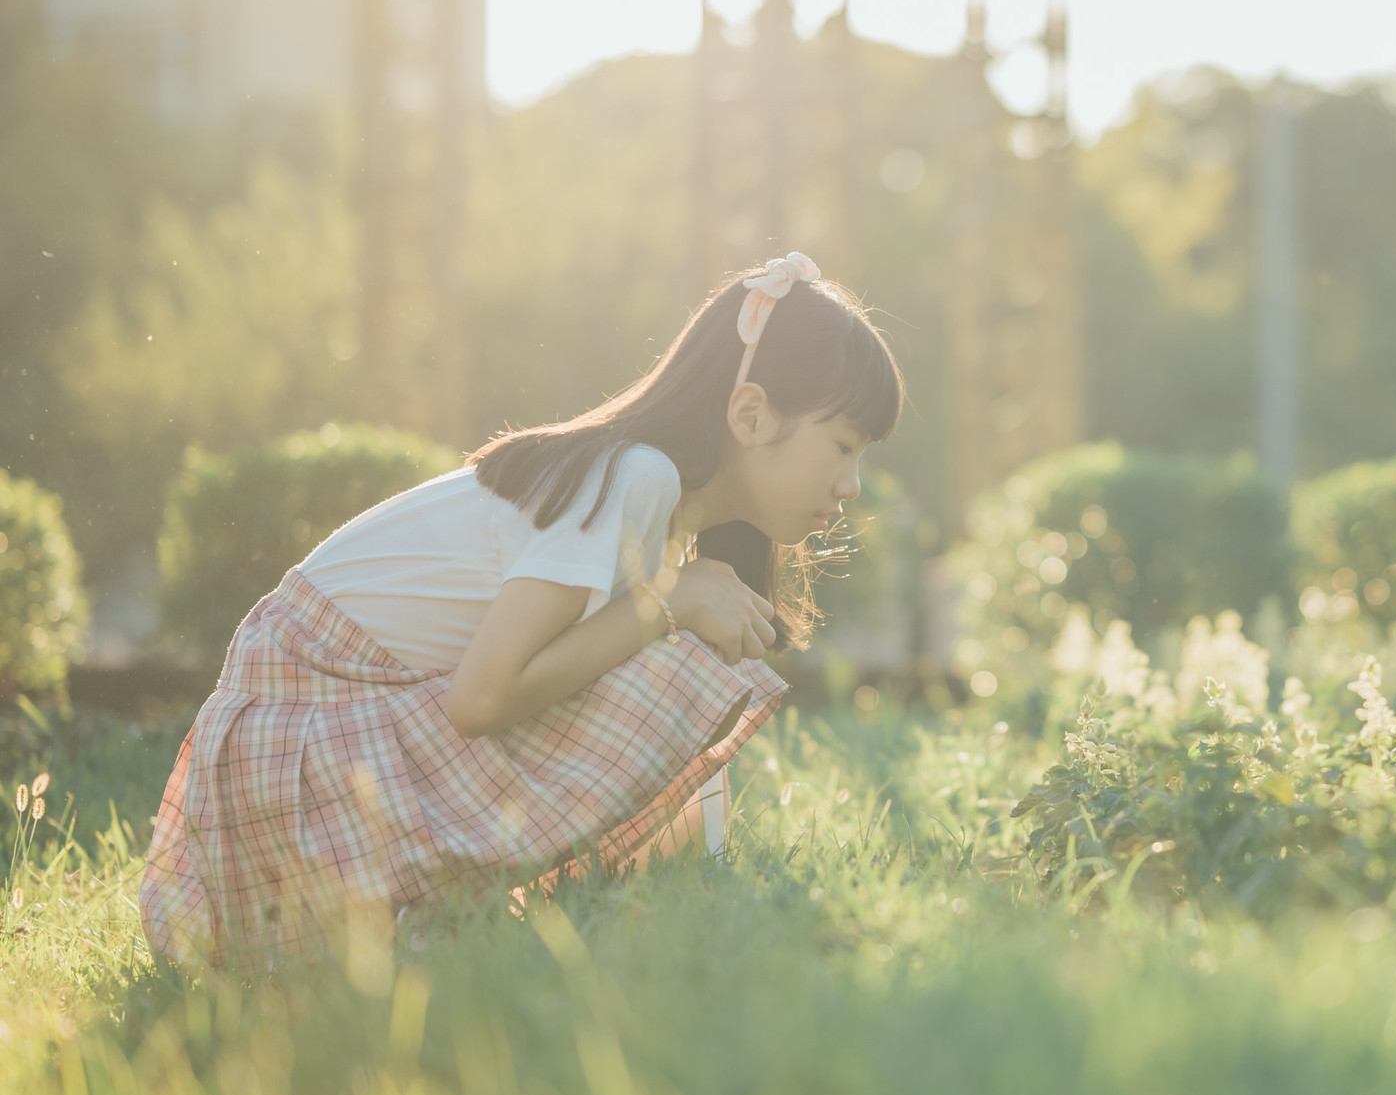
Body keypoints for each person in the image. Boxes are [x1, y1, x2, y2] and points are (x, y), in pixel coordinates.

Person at [140, 253, 902, 966]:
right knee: (668, 647)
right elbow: (482, 699)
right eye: (841, 445)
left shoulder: (661, 514)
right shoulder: (635, 477)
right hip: (288, 760)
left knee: (660, 641)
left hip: (312, 764)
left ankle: (632, 902)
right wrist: (666, 602)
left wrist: (668, 600)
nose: (851, 484)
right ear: (750, 414)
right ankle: (465, 916)